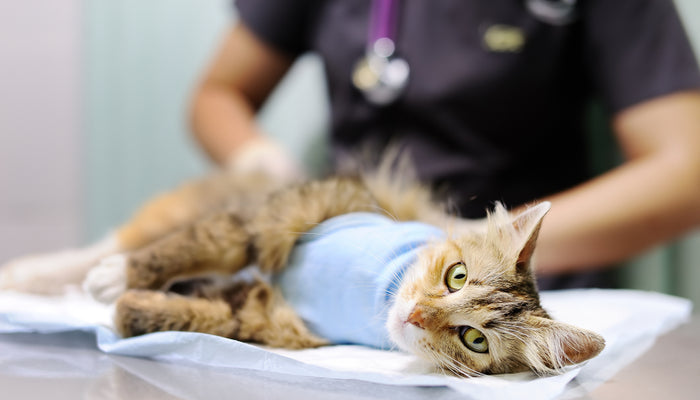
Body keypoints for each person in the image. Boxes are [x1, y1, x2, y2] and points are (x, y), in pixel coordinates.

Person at [189, 0, 700, 289]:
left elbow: (687, 170)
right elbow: (218, 93)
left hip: (525, 285)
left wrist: (482, 242)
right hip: (355, 263)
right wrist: (267, 167)